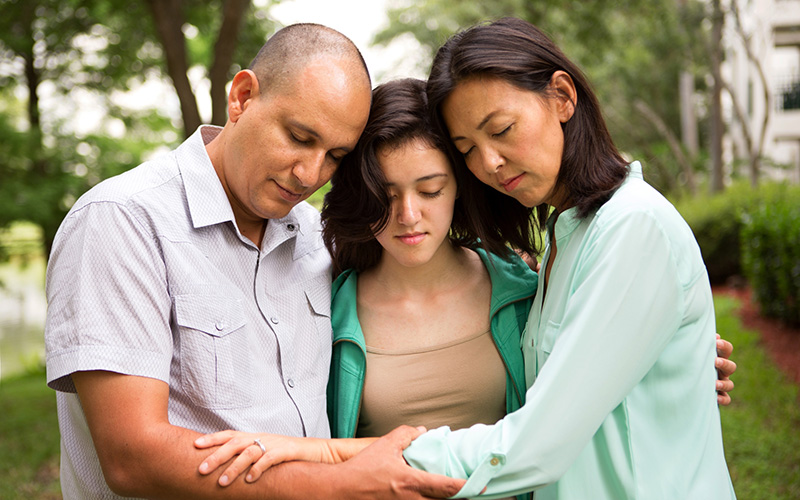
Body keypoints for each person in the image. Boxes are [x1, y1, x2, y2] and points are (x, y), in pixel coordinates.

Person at [190, 17, 737, 500]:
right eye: (471, 149)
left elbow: (534, 444)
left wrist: (335, 457)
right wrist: (659, 356)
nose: (492, 163)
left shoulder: (629, 226)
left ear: (563, 97)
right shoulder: (567, 238)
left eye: (501, 131)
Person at [44, 23, 463, 500]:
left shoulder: (314, 238)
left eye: (335, 156)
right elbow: (131, 456)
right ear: (241, 97)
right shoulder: (122, 221)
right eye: (299, 137)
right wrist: (340, 482)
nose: (311, 174)